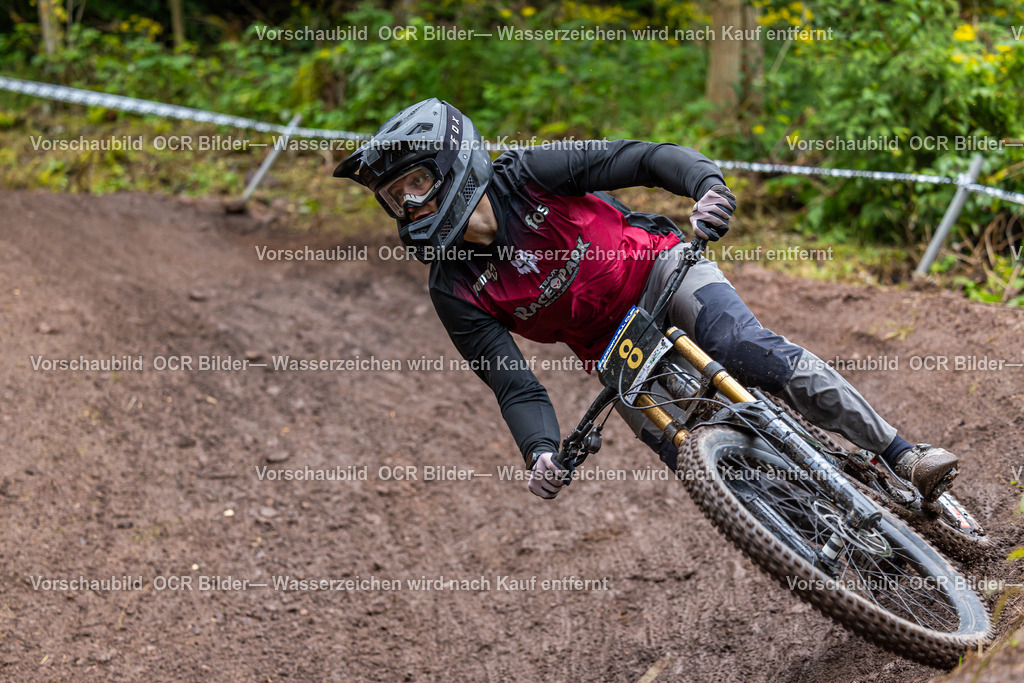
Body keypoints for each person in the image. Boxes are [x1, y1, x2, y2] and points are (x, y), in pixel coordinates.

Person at [334, 98, 959, 501]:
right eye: (394, 197)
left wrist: (706, 186)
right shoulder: (452, 288)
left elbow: (645, 159)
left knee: (744, 347)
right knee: (691, 460)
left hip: (661, 271)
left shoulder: (529, 174)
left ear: (451, 164)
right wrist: (541, 451)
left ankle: (902, 454)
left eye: (416, 183)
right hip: (615, 350)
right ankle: (833, 538)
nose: (409, 205)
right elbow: (514, 386)